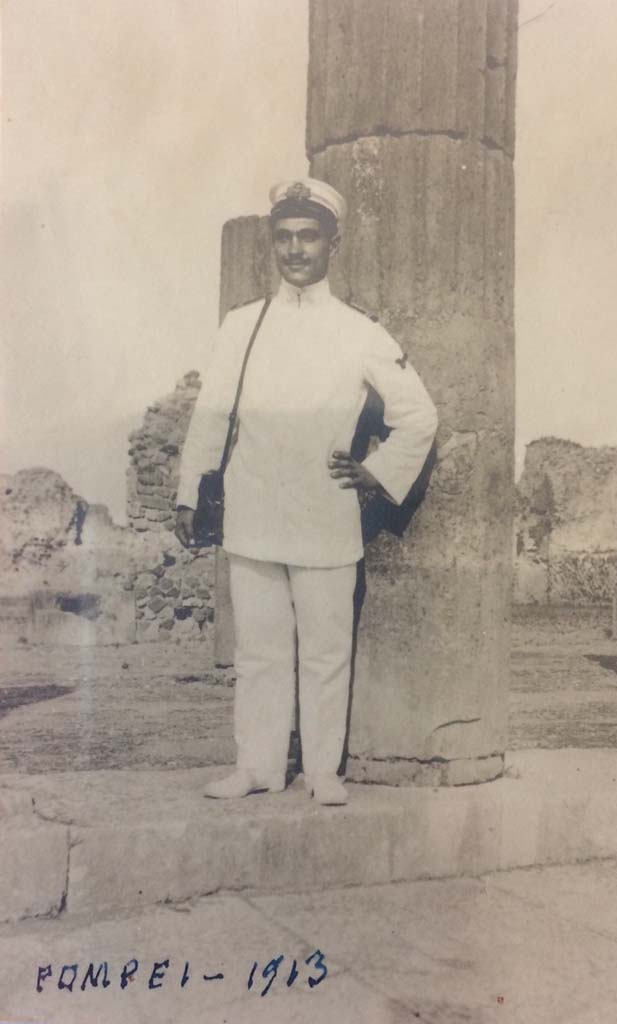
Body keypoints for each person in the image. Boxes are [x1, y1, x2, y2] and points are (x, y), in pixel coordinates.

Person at [175, 178, 437, 805]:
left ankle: (323, 771)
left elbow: (419, 414)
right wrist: (190, 490)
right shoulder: (242, 325)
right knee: (259, 651)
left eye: (309, 237)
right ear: (273, 243)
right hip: (255, 505)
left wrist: (378, 472)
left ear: (332, 245)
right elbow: (211, 413)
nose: (295, 250)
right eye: (284, 237)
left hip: (323, 513)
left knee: (324, 651)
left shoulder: (358, 331)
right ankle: (257, 766)